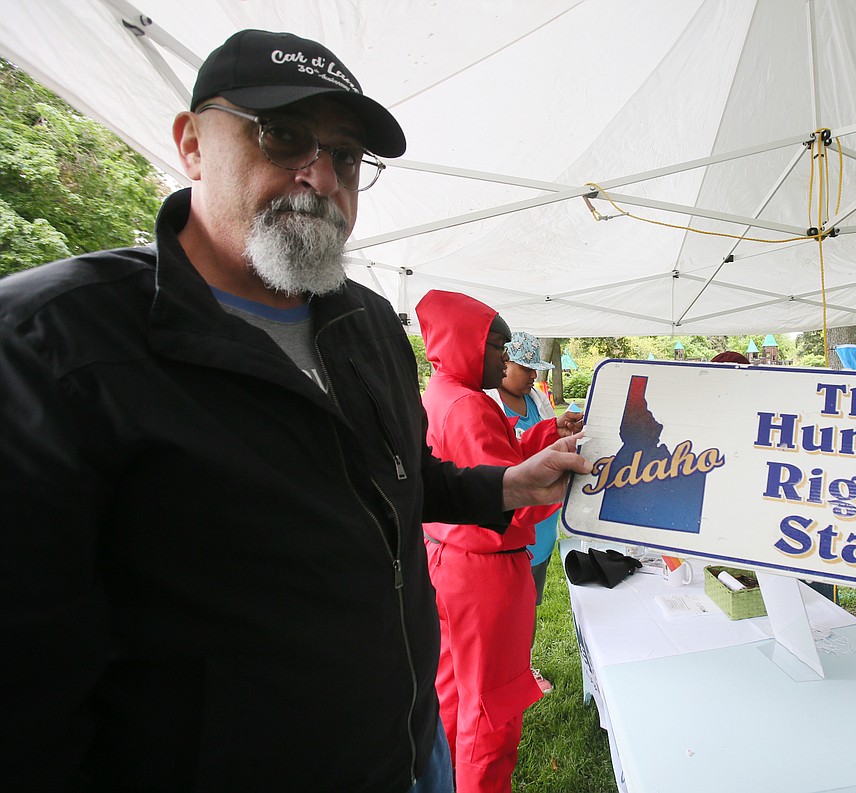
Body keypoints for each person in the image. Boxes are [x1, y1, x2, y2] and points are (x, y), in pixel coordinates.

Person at [0, 29, 588, 793]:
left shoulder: (371, 324)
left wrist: (510, 484)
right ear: (191, 144)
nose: (319, 174)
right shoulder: (52, 345)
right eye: (280, 135)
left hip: (413, 749)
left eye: (345, 156)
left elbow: (398, 484)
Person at [416, 292, 583, 793]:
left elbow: (495, 462)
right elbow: (507, 496)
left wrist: (547, 432)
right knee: (494, 709)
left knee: (451, 692)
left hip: (447, 563)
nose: (506, 359)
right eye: (498, 346)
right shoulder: (471, 406)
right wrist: (571, 490)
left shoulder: (441, 392)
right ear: (469, 344)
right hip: (486, 573)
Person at [486, 331, 564, 695]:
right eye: (527, 368)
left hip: (542, 523)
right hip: (511, 525)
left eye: (537, 369)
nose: (534, 376)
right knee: (504, 607)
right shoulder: (486, 405)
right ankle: (499, 670)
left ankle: (523, 665)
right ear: (505, 364)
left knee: (531, 598)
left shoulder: (535, 399)